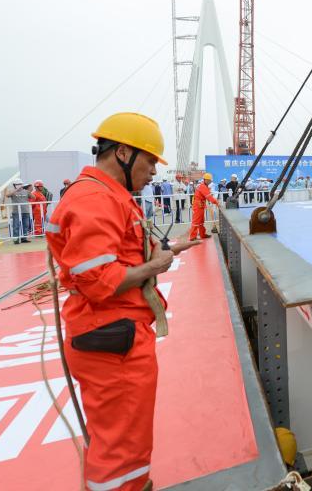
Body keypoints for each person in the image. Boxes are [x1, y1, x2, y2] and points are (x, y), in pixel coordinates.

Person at [46, 112, 199, 491]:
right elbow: (99, 279)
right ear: (124, 153)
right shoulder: (96, 199)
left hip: (113, 336)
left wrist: (162, 252)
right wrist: (158, 264)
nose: (152, 173)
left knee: (118, 439)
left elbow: (114, 258)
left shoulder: (105, 195)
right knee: (122, 450)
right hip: (113, 341)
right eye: (149, 162)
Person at [2, 178, 33, 244]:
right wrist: (15, 190)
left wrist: (29, 191)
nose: (19, 185)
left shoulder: (26, 191)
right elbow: (7, 195)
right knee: (16, 225)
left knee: (26, 225)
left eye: (20, 184)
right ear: (14, 185)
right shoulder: (12, 191)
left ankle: (24, 238)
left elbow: (33, 197)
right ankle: (16, 239)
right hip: (16, 211)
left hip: (25, 211)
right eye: (17, 184)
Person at [189, 173, 219, 240]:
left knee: (201, 221)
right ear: (205, 180)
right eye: (209, 180)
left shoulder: (203, 186)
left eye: (210, 181)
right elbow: (209, 197)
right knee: (196, 221)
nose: (210, 182)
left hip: (200, 205)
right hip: (198, 205)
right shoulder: (203, 187)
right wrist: (217, 203)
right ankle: (192, 237)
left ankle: (202, 234)